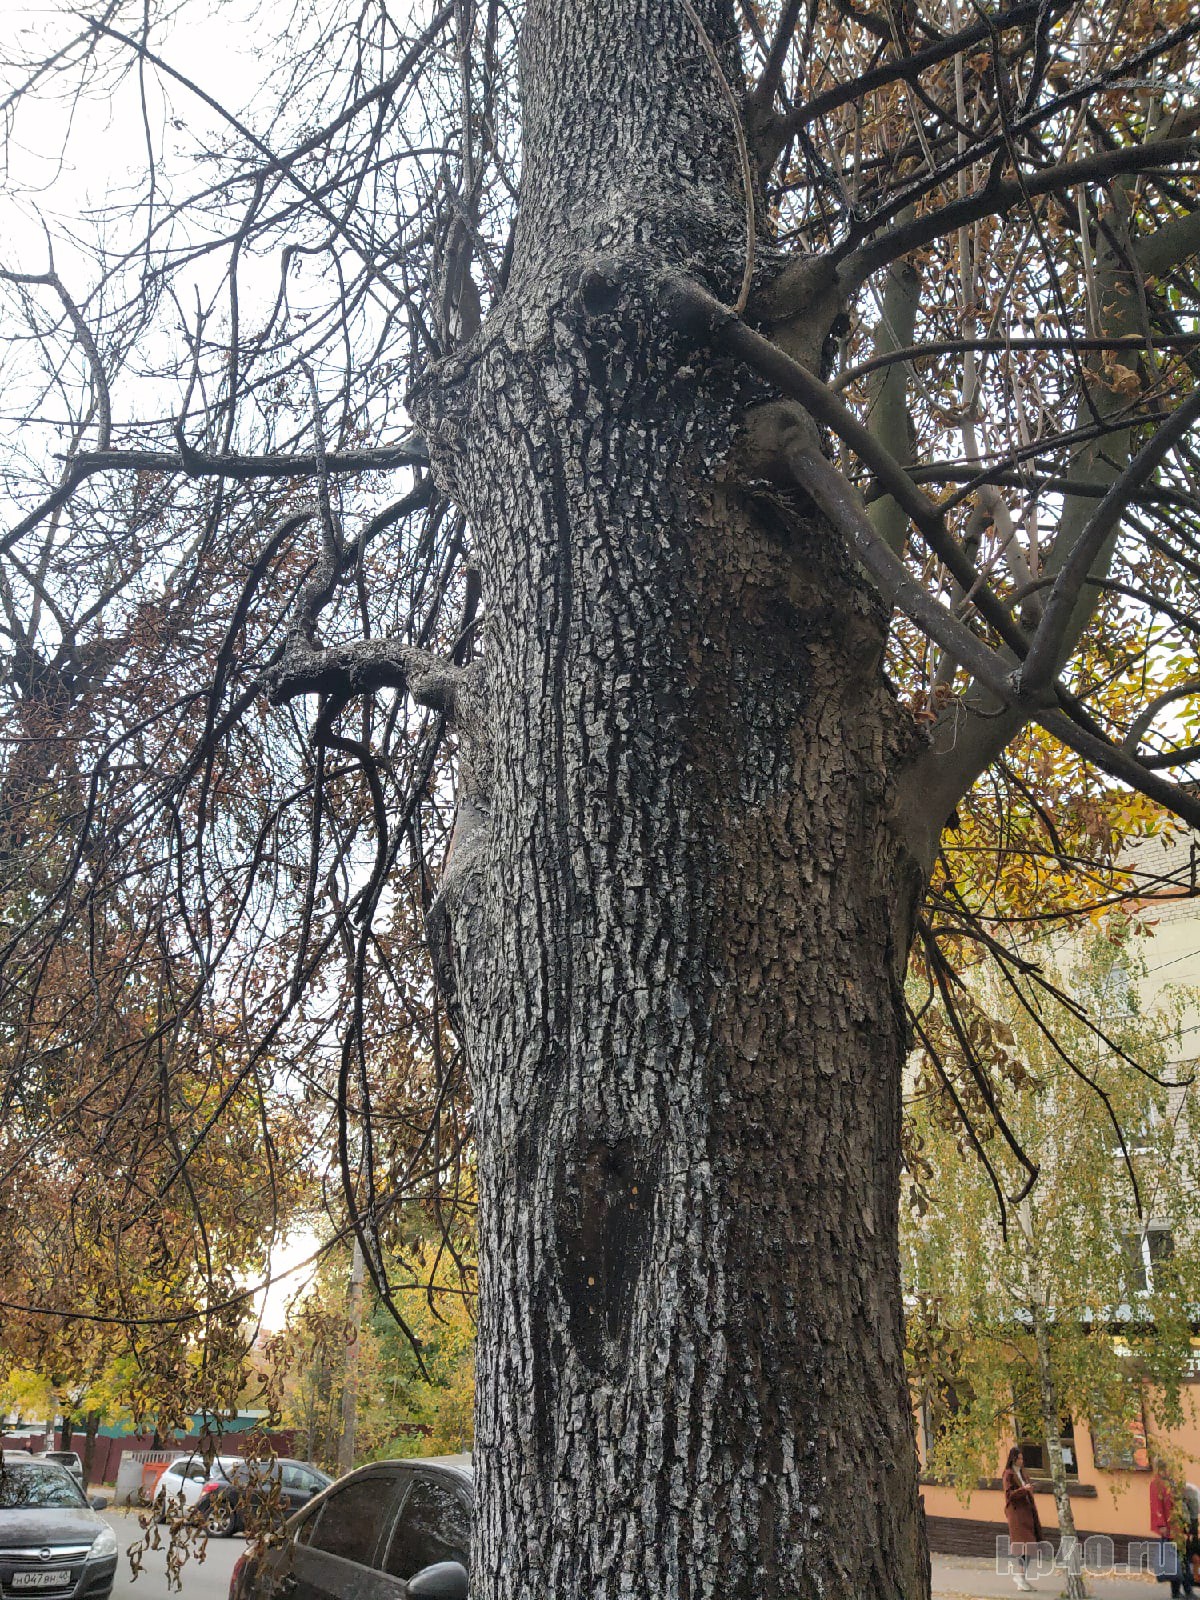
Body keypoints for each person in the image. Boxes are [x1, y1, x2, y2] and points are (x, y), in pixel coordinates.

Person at [1150, 1460, 1194, 1598]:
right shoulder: (1156, 1483)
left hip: (1179, 1528)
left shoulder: (1172, 1482)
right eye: (1169, 1468)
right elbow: (1156, 1505)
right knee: (1176, 1561)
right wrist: (1161, 1525)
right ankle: (1181, 1592)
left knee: (1182, 1560)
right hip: (1169, 1529)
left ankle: (1184, 1591)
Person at [1003, 1447, 1042, 1592]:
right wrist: (1023, 1490)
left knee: (1030, 1546)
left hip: (1027, 1512)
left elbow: (1025, 1489)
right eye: (1019, 1458)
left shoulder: (1022, 1473)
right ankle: (1020, 1576)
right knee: (1025, 1546)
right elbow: (1009, 1495)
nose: (1022, 1461)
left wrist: (1029, 1488)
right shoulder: (1008, 1474)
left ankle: (1021, 1578)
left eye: (1022, 1458)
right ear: (1013, 1459)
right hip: (1017, 1515)